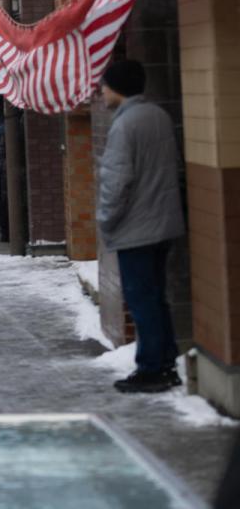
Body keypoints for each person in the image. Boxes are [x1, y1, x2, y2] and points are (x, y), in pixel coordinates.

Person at [97, 60, 186, 394]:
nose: (102, 91)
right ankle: (165, 362)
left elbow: (116, 182)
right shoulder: (158, 116)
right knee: (157, 297)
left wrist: (105, 221)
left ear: (118, 87)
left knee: (142, 300)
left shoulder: (125, 126)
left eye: (105, 85)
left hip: (137, 227)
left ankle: (151, 368)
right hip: (162, 223)